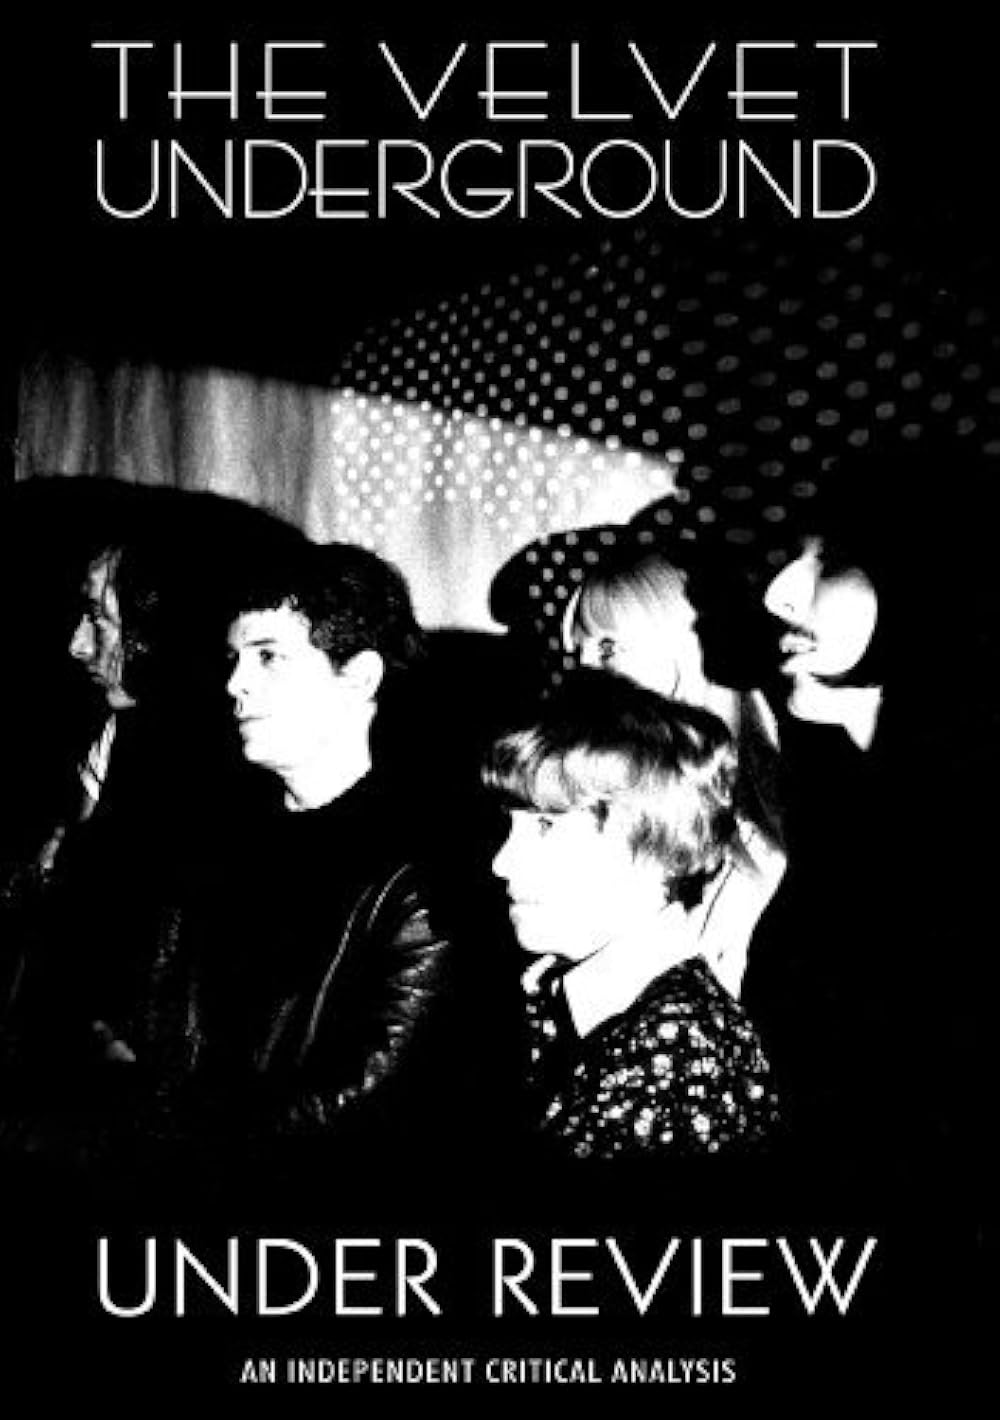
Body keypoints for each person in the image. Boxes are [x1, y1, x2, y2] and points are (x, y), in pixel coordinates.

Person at [482, 671, 778, 1160]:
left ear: (660, 843)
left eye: (545, 825)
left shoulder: (675, 1052)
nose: (501, 861)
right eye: (509, 826)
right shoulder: (560, 997)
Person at [564, 540, 785, 997]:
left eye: (608, 647)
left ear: (681, 650)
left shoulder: (761, 832)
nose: (584, 675)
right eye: (578, 655)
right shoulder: (618, 800)